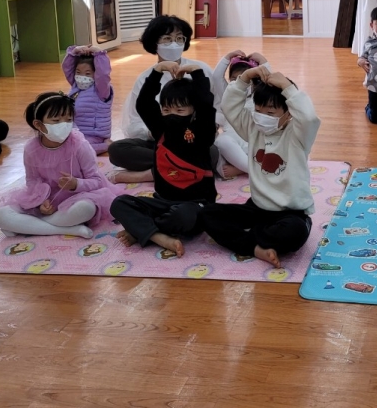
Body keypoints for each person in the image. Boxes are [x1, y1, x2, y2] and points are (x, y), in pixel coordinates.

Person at [201, 65, 321, 268]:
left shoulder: (298, 135)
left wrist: (288, 87)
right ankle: (256, 247)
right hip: (257, 208)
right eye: (258, 110)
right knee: (207, 214)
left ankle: (246, 239)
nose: (262, 116)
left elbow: (309, 117)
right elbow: (229, 107)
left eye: (271, 112)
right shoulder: (254, 128)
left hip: (291, 212)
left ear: (288, 113)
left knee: (295, 233)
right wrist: (244, 78)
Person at [110, 61, 217, 257]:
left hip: (195, 205)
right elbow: (144, 103)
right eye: (166, 110)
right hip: (162, 203)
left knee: (185, 216)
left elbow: (206, 106)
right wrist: (157, 71)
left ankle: (143, 231)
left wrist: (198, 74)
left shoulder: (201, 132)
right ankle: (158, 236)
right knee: (119, 203)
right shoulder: (161, 129)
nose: (172, 116)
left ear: (193, 110)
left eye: (180, 111)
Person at [0, 92, 119, 239]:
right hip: (47, 201)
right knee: (0, 216)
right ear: (38, 124)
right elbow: (32, 181)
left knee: (86, 209)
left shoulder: (79, 145)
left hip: (79, 197)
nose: (64, 125)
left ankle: (29, 226)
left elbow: (97, 181)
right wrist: (41, 202)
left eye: (68, 120)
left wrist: (75, 184)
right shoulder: (31, 149)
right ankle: (69, 229)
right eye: (56, 120)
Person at [107, 15, 212, 183]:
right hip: (160, 141)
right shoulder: (146, 78)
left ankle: (147, 174)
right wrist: (155, 132)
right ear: (154, 43)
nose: (174, 43)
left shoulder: (200, 69)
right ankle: (177, 167)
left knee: (214, 151)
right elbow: (136, 118)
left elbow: (216, 105)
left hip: (193, 140)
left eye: (179, 38)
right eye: (167, 39)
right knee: (117, 149)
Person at [211, 49, 271, 177]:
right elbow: (216, 77)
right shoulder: (228, 94)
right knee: (221, 141)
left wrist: (263, 62)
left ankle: (247, 168)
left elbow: (270, 82)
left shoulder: (258, 95)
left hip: (255, 143)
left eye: (246, 79)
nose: (241, 82)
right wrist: (227, 57)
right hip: (234, 146)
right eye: (235, 79)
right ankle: (252, 169)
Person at [62, 45, 113, 154]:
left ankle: (106, 145)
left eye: (88, 73)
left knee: (78, 149)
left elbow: (103, 75)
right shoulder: (75, 86)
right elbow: (67, 68)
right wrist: (74, 52)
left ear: (95, 74)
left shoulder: (102, 90)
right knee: (61, 146)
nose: (82, 77)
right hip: (76, 133)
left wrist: (99, 54)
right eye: (78, 72)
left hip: (95, 135)